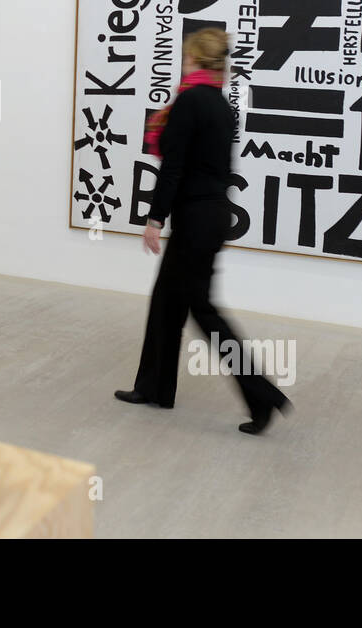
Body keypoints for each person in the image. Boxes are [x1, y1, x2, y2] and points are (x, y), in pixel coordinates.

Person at [114, 27, 291, 435]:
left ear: (192, 58)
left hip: (194, 219)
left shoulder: (189, 102)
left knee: (203, 311)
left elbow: (173, 167)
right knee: (167, 303)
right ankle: (154, 388)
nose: (180, 61)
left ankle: (262, 395)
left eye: (183, 56)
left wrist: (155, 219)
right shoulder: (219, 104)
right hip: (211, 216)